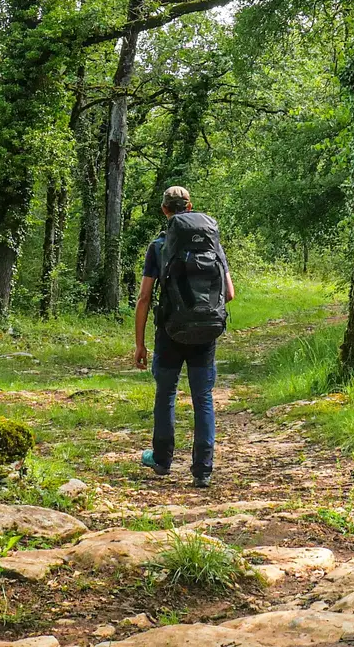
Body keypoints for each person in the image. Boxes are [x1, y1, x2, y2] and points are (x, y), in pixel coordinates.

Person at [133, 185, 235, 486]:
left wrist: (140, 344)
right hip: (206, 332)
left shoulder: (158, 246)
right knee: (202, 397)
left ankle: (162, 460)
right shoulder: (213, 246)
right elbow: (229, 293)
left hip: (170, 333)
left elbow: (144, 298)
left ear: (165, 210)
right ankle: (203, 470)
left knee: (166, 394)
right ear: (189, 208)